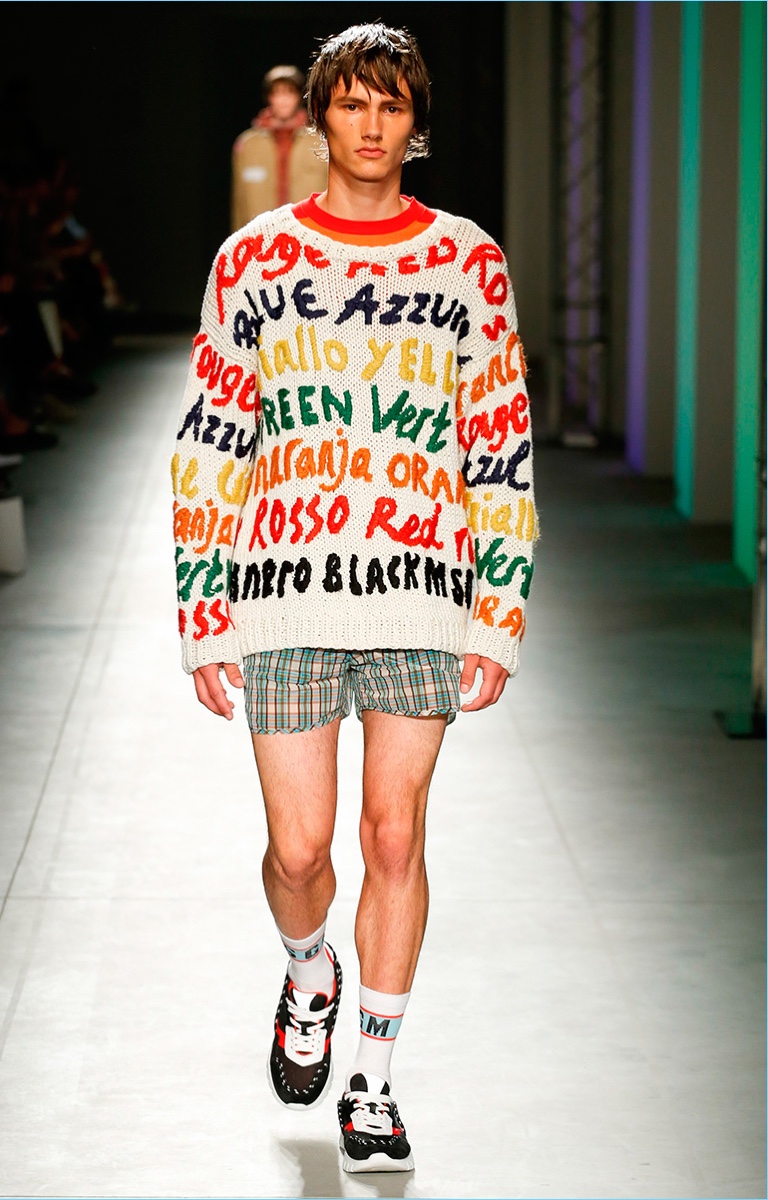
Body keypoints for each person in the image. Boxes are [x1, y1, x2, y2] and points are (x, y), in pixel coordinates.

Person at [173, 21, 537, 1174]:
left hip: (421, 588)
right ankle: (307, 971)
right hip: (281, 590)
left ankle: (372, 1084)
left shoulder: (467, 260)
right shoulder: (255, 260)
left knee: (393, 834)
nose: (371, 125)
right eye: (352, 103)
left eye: (391, 106)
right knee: (297, 852)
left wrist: (499, 611)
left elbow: (499, 442)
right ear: (321, 116)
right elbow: (212, 437)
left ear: (412, 122)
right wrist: (201, 607)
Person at [231, 64, 328, 232]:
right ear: (269, 98)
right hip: (260, 234)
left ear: (298, 97)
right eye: (277, 93)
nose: (283, 100)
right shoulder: (248, 145)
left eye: (289, 93)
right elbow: (239, 201)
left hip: (309, 233)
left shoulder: (319, 142)